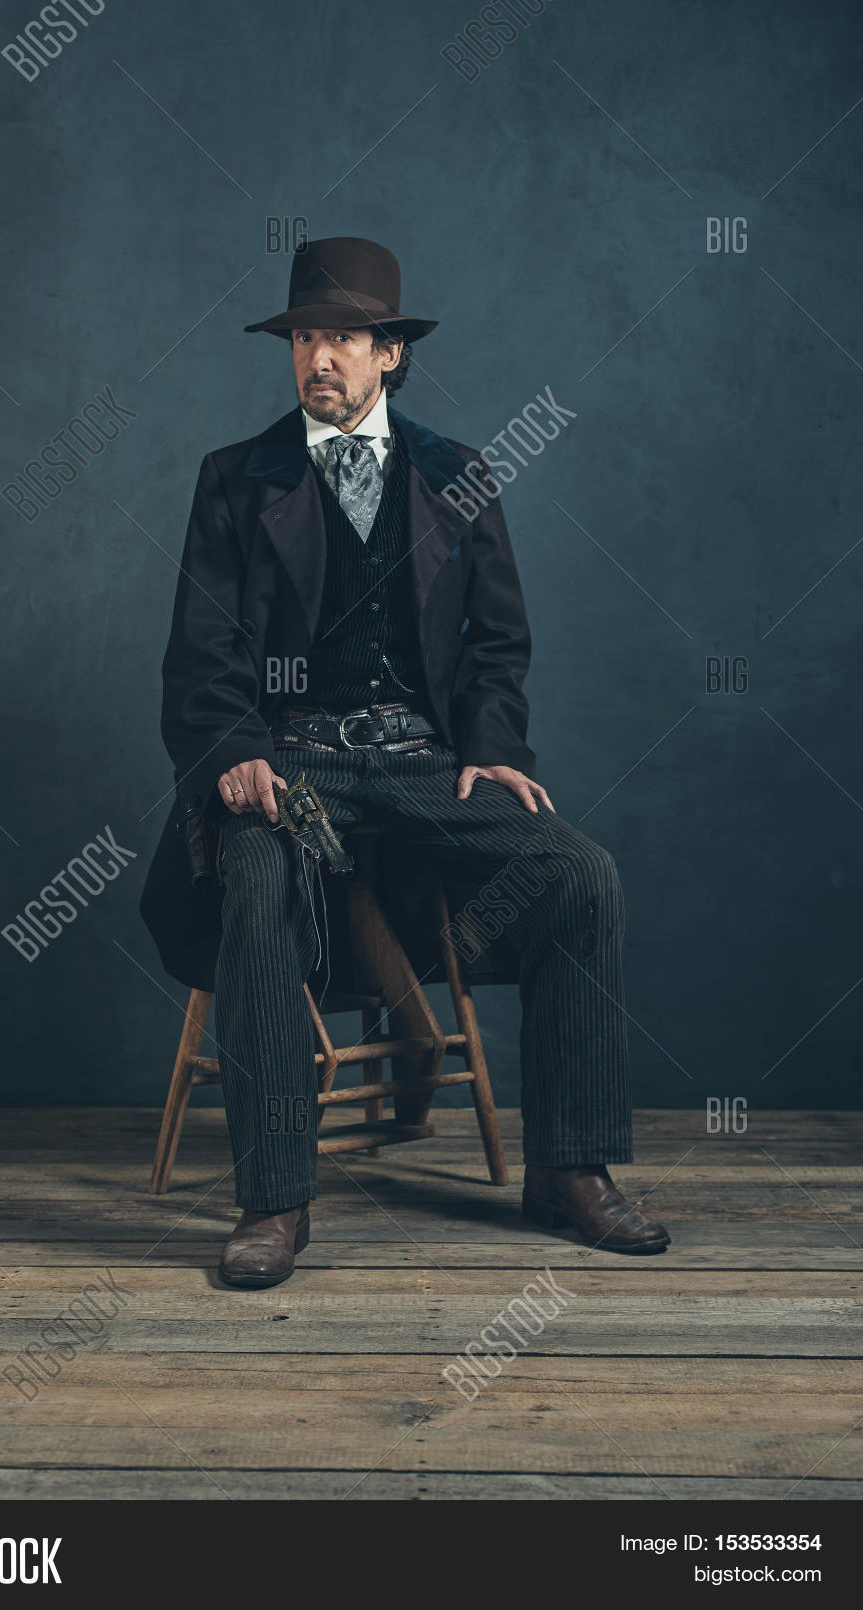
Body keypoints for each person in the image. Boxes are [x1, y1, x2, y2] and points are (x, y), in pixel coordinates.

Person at [145, 236, 670, 1288]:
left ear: (389, 353)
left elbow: (494, 645)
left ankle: (568, 1168)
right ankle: (273, 1199)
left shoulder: (457, 473)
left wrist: (491, 749)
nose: (318, 358)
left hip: (421, 758)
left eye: (342, 338)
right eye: (304, 338)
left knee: (579, 874)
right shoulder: (234, 479)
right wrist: (235, 751)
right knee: (255, 881)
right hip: (291, 758)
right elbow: (201, 652)